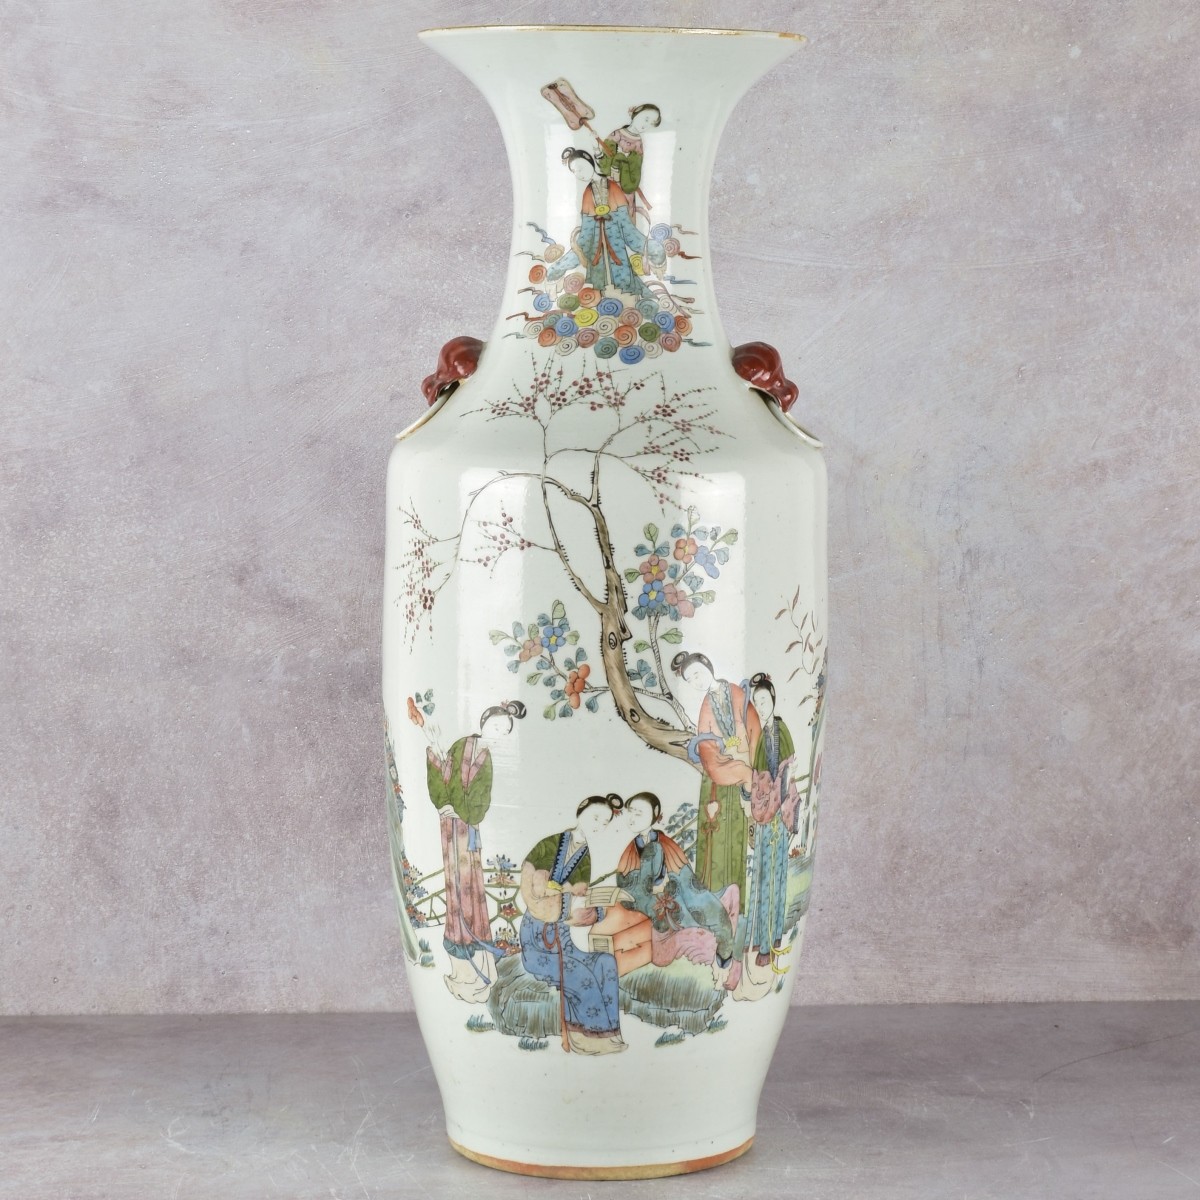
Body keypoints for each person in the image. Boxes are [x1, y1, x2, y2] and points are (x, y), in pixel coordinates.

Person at [425, 700, 526, 1002]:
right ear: (484, 723)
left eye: (504, 730)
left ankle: (478, 962)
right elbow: (444, 777)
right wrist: (435, 752)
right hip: (450, 827)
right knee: (454, 887)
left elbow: (481, 801)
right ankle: (462, 963)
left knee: (471, 889)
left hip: (467, 829)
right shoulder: (462, 746)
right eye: (496, 726)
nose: (498, 732)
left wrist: (461, 811)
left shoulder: (487, 759)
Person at [518, 794, 627, 1055]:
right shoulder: (549, 844)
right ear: (581, 811)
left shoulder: (585, 856)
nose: (598, 825)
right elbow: (530, 888)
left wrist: (592, 912)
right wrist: (559, 898)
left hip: (564, 938)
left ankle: (609, 1034)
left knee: (605, 962)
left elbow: (575, 903)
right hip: (538, 939)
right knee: (581, 975)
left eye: (604, 823)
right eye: (595, 817)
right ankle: (587, 1037)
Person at [617, 792, 737, 988]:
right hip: (650, 903)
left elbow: (685, 880)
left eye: (639, 813)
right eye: (630, 812)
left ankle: (722, 961)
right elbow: (627, 885)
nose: (632, 818)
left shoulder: (664, 845)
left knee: (707, 912)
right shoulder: (631, 850)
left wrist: (662, 883)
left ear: (655, 814)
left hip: (676, 896)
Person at [672, 651, 761, 905]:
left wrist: (745, 750)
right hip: (720, 770)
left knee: (738, 826)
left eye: (697, 673)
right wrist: (723, 749)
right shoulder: (706, 705)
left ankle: (751, 813)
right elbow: (706, 743)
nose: (697, 680)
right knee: (717, 831)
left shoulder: (735, 691)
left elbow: (752, 724)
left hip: (745, 755)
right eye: (691, 680)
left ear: (708, 667)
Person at [545, 148, 664, 298]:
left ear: (589, 160)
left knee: (627, 290)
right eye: (575, 172)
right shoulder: (587, 193)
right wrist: (557, 269)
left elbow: (629, 231)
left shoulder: (613, 187)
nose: (580, 174)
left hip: (616, 244)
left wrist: (656, 251)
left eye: (581, 168)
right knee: (599, 293)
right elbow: (585, 238)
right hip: (597, 250)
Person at [746, 673, 802, 971]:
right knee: (762, 877)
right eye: (756, 702)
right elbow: (757, 778)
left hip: (778, 814)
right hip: (764, 813)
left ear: (773, 699)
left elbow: (788, 771)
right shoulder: (760, 738)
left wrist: (777, 798)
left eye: (764, 700)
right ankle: (760, 938)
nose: (761, 706)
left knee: (775, 876)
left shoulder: (781, 730)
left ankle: (771, 940)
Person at [596, 102, 661, 214]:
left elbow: (636, 169)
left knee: (624, 212)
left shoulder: (638, 144)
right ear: (637, 111)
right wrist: (603, 155)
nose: (645, 125)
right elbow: (604, 160)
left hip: (626, 187)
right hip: (609, 183)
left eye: (651, 123)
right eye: (646, 119)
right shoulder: (616, 134)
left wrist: (624, 160)